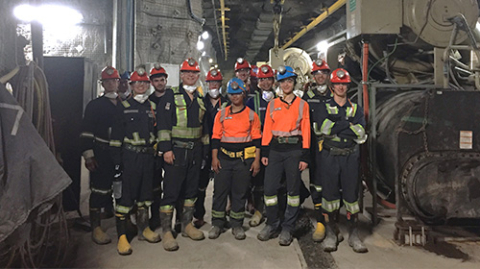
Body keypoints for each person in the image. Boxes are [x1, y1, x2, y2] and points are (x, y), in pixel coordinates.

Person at [156, 58, 209, 251]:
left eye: (194, 73)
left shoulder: (201, 99)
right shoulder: (170, 96)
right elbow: (162, 125)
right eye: (187, 72)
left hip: (195, 151)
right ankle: (167, 231)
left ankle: (186, 224)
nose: (191, 75)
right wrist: (166, 149)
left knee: (191, 191)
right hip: (176, 151)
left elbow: (205, 130)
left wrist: (204, 153)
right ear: (181, 74)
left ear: (198, 76)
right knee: (170, 191)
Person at [313, 68, 367, 253]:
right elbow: (324, 129)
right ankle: (330, 234)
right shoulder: (323, 107)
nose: (341, 87)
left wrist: (337, 125)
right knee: (329, 197)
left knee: (352, 198)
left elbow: (361, 133)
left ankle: (354, 235)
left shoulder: (356, 108)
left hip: (350, 156)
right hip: (330, 156)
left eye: (344, 84)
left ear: (347, 85)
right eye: (337, 84)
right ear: (332, 85)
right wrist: (348, 124)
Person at [110, 67, 161, 255]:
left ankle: (143, 229)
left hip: (148, 157)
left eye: (144, 83)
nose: (141, 85)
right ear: (131, 85)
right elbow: (115, 138)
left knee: (146, 196)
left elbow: (155, 133)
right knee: (126, 199)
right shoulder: (122, 108)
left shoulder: (152, 108)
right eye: (138, 82)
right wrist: (117, 163)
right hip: (130, 158)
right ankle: (122, 237)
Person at [258, 65, 310, 246]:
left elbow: (306, 131)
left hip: (294, 151)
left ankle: (288, 227)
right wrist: (264, 151)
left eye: (289, 81)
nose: (286, 84)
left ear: (294, 83)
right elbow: (267, 130)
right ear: (278, 84)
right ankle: (272, 223)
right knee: (270, 189)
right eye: (283, 81)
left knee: (293, 191)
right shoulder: (273, 104)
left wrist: (305, 156)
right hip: (275, 151)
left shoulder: (302, 105)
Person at [209, 78, 262, 240]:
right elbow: (215, 138)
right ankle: (217, 223)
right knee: (220, 192)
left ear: (244, 94)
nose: (235, 97)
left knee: (240, 193)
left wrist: (256, 160)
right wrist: (214, 158)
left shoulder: (252, 116)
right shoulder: (221, 114)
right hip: (224, 159)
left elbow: (257, 140)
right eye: (232, 94)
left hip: (243, 160)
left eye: (238, 93)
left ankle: (236, 224)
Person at [80, 66, 120, 245]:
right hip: (102, 153)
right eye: (107, 81)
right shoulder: (94, 106)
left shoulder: (124, 104)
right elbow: (86, 132)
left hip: (120, 154)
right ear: (102, 84)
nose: (111, 84)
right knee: (99, 189)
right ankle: (96, 227)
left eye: (114, 80)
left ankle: (122, 222)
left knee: (121, 190)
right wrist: (88, 155)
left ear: (119, 82)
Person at [302, 59, 332, 242]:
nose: (320, 76)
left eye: (323, 73)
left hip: (331, 147)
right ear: (313, 77)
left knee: (333, 182)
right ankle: (321, 218)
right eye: (317, 74)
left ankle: (332, 217)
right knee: (316, 183)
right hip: (313, 147)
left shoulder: (335, 95)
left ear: (328, 76)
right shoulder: (307, 97)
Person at [194, 68, 228, 228]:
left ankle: (221, 215)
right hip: (204, 149)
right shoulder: (200, 101)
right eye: (211, 82)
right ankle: (198, 215)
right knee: (201, 185)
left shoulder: (227, 101)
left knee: (222, 185)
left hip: (223, 149)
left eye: (216, 82)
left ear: (221, 84)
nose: (214, 85)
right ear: (207, 84)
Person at [245, 64, 275, 227]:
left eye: (268, 79)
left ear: (273, 81)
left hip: (276, 146)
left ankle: (273, 211)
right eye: (262, 80)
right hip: (258, 146)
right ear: (258, 82)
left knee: (276, 181)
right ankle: (258, 210)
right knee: (258, 181)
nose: (265, 83)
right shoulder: (251, 101)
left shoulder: (281, 98)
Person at [148, 63, 170, 230]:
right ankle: (155, 217)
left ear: (166, 80)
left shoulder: (173, 97)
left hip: (171, 148)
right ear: (151, 82)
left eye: (162, 79)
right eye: (156, 80)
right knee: (154, 185)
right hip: (154, 152)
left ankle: (170, 221)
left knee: (171, 185)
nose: (159, 83)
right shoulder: (148, 102)